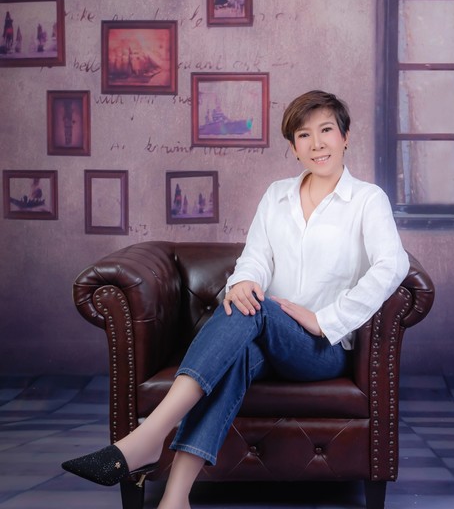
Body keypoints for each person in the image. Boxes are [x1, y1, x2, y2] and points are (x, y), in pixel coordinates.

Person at [62, 90, 410, 509]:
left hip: (323, 349)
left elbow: (393, 265)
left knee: (257, 307)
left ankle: (149, 437)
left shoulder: (367, 200)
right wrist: (243, 281)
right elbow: (255, 258)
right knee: (242, 323)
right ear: (293, 146)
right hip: (269, 339)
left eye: (326, 131)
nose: (317, 144)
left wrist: (327, 319)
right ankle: (175, 497)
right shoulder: (277, 195)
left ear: (345, 137)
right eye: (304, 135)